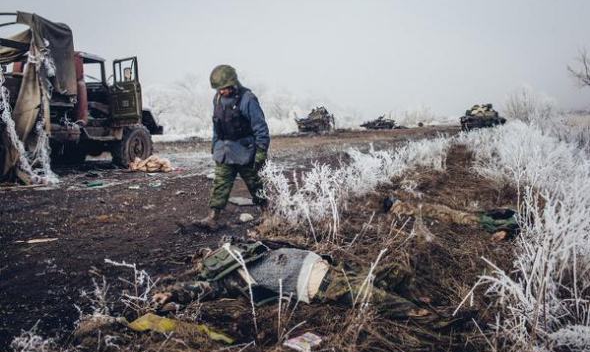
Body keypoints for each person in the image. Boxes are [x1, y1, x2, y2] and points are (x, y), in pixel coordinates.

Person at [153, 240, 457, 327]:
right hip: (320, 285)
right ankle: (442, 323)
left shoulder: (251, 248)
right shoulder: (229, 277)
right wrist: (172, 292)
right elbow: (203, 289)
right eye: (207, 256)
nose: (214, 254)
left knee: (395, 271)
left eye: (212, 251)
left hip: (330, 268)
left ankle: (429, 302)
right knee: (380, 299)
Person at [195, 65, 270, 231]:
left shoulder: (248, 99)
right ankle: (213, 216)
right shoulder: (217, 99)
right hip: (224, 152)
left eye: (224, 88)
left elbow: (261, 128)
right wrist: (214, 146)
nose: (221, 92)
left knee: (255, 184)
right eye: (218, 89)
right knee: (220, 184)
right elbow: (217, 125)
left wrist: (261, 152)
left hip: (245, 153)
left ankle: (266, 213)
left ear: (233, 84)